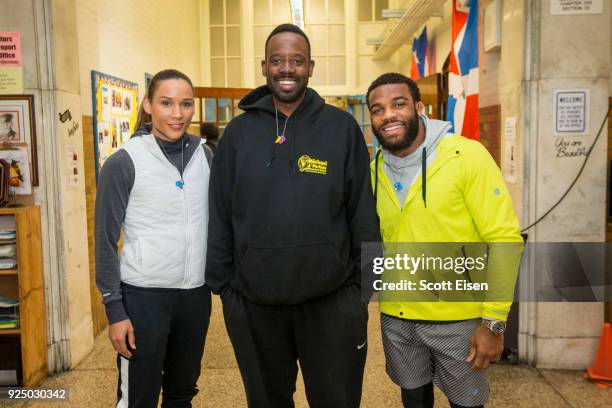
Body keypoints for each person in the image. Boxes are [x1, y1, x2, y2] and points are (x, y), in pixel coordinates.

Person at [206, 24, 381, 407]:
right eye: (277, 60)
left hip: (331, 304)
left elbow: (362, 212)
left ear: (311, 67)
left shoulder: (341, 129)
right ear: (264, 67)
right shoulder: (237, 134)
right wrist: (225, 288)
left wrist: (363, 290)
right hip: (255, 306)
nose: (287, 68)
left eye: (296, 61)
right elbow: (219, 212)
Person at [367, 72, 522, 408]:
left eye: (398, 104)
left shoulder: (466, 156)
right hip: (398, 317)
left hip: (460, 320)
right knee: (413, 399)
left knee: (466, 404)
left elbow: (504, 238)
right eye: (377, 110)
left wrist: (494, 323)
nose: (388, 115)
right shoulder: (374, 168)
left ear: (420, 107)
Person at [95, 69, 213, 407]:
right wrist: (115, 310)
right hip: (143, 298)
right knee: (138, 398)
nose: (177, 114)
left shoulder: (205, 157)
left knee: (182, 393)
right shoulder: (124, 163)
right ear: (148, 105)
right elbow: (104, 241)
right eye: (166, 103)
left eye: (186, 104)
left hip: (194, 296)